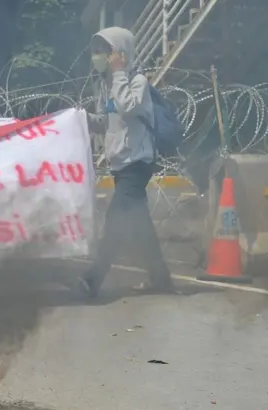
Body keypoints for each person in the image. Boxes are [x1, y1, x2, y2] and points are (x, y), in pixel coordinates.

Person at [78, 27, 174, 297]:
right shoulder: (107, 85)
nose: (96, 56)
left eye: (102, 50)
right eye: (94, 50)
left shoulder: (137, 80)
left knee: (116, 220)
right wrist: (81, 118)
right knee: (139, 225)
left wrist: (119, 72)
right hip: (121, 163)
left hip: (137, 163)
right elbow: (106, 122)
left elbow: (129, 107)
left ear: (119, 53)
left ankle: (92, 279)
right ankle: (161, 280)